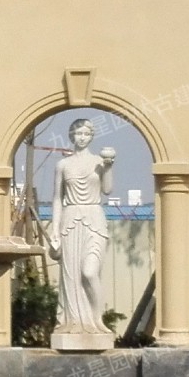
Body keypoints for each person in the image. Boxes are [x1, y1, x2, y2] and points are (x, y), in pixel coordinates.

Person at [49, 119, 115, 336]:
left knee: (89, 272)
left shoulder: (99, 162)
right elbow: (57, 199)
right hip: (70, 221)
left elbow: (107, 190)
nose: (82, 138)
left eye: (86, 134)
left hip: (94, 219)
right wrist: (54, 230)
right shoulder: (63, 165)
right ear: (72, 136)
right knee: (72, 276)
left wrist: (108, 167)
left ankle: (97, 320)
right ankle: (74, 322)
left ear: (92, 136)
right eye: (78, 133)